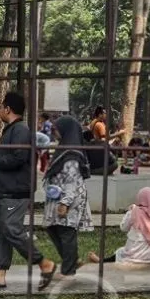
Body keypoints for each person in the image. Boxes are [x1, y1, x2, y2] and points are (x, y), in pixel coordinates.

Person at [0, 92, 58, 290]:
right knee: (1, 232)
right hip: (4, 189)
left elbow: (18, 157)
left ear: (8, 109)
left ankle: (45, 264)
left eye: (1, 107)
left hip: (16, 190)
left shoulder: (21, 130)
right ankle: (0, 276)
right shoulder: (11, 129)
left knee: (11, 230)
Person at [42, 116, 98, 282]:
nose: (55, 132)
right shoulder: (64, 150)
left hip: (69, 198)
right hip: (58, 196)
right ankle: (73, 260)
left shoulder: (72, 155)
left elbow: (71, 181)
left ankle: (68, 271)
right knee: (52, 228)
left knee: (66, 232)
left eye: (57, 129)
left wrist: (65, 203)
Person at [106, 187, 150, 265]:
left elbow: (123, 228)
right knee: (122, 251)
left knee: (120, 252)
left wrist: (130, 211)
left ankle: (101, 260)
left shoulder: (134, 212)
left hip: (135, 257)